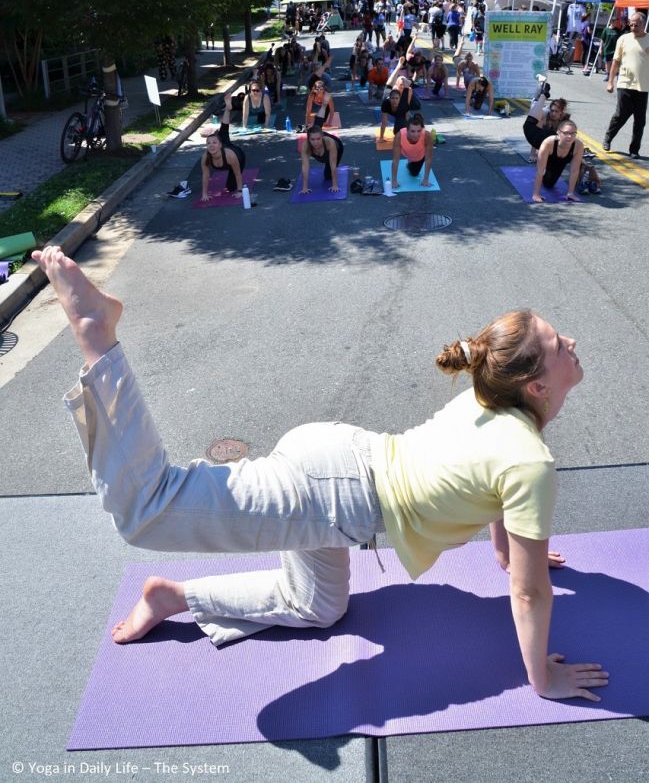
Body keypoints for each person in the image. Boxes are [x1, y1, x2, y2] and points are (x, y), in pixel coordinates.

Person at [32, 247, 609, 703]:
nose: (573, 343)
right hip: (331, 495)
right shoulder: (530, 456)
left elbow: (499, 496)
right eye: (561, 343)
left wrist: (507, 553)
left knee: (319, 607)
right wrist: (542, 679)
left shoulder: (495, 398)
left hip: (336, 472)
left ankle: (174, 598)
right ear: (535, 386)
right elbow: (530, 594)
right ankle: (97, 337)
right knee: (149, 510)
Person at [603, 12, 649, 159]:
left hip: (643, 86)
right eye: (631, 24)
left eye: (637, 25)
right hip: (625, 84)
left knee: (640, 121)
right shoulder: (623, 39)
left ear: (644, 24)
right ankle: (608, 138)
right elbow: (615, 62)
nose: (633, 27)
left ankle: (634, 149)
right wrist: (610, 82)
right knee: (620, 116)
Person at [200, 95, 245, 199]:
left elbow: (238, 174)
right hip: (224, 145)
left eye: (214, 143)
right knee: (223, 131)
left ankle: (227, 110)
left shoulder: (230, 155)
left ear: (220, 146)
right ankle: (228, 109)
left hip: (238, 156)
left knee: (231, 187)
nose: (211, 145)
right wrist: (204, 194)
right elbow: (206, 176)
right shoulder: (205, 157)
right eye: (208, 143)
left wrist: (240, 191)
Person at [532, 119, 585, 203]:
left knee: (549, 184)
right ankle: (539, 156)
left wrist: (570, 193)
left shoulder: (578, 145)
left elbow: (574, 170)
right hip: (550, 158)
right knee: (546, 180)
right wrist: (536, 194)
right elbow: (540, 170)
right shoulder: (548, 143)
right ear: (558, 132)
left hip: (563, 160)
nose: (569, 136)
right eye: (566, 133)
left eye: (573, 133)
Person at [300, 96, 343, 194]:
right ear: (308, 139)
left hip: (337, 147)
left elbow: (333, 165)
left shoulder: (329, 143)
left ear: (322, 137)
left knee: (328, 176)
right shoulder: (306, 146)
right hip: (319, 140)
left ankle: (324, 104)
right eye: (312, 140)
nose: (315, 142)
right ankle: (324, 105)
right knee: (316, 125)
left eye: (318, 139)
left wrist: (335, 185)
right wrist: (304, 187)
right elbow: (305, 167)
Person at [523, 78, 571, 162]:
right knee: (537, 99)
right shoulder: (544, 115)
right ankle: (541, 83)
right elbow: (535, 135)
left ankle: (543, 84)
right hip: (536, 110)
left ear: (561, 113)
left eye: (556, 111)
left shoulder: (564, 121)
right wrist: (532, 154)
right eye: (552, 111)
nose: (553, 113)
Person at [389, 113, 435, 187]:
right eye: (412, 131)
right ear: (407, 130)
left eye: (419, 131)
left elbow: (428, 159)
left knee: (414, 173)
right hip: (406, 152)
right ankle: (410, 160)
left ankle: (410, 163)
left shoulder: (427, 136)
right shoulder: (399, 136)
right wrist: (394, 181)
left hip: (419, 156)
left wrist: (425, 180)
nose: (416, 135)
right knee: (409, 157)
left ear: (422, 129)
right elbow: (395, 160)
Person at [599, 17, 625, 82]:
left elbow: (621, 38)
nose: (616, 23)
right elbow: (602, 39)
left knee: (616, 63)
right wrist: (600, 48)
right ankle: (608, 75)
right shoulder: (606, 29)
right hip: (607, 49)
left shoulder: (618, 30)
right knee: (607, 63)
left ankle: (618, 75)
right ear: (611, 22)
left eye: (617, 22)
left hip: (616, 49)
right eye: (615, 22)